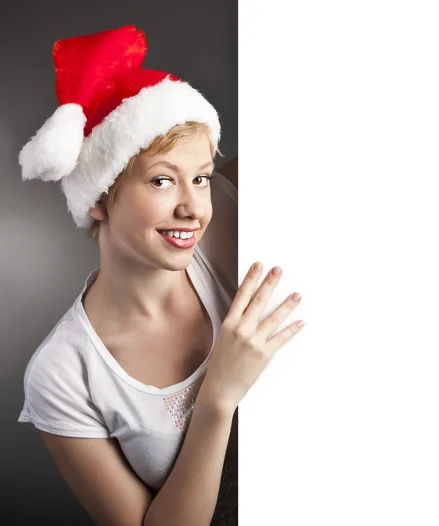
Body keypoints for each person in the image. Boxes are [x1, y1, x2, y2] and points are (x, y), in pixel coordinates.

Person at [16, 25, 304, 526]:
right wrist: (218, 396)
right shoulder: (64, 374)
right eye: (162, 180)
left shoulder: (226, 223)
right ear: (100, 199)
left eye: (200, 178)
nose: (194, 208)